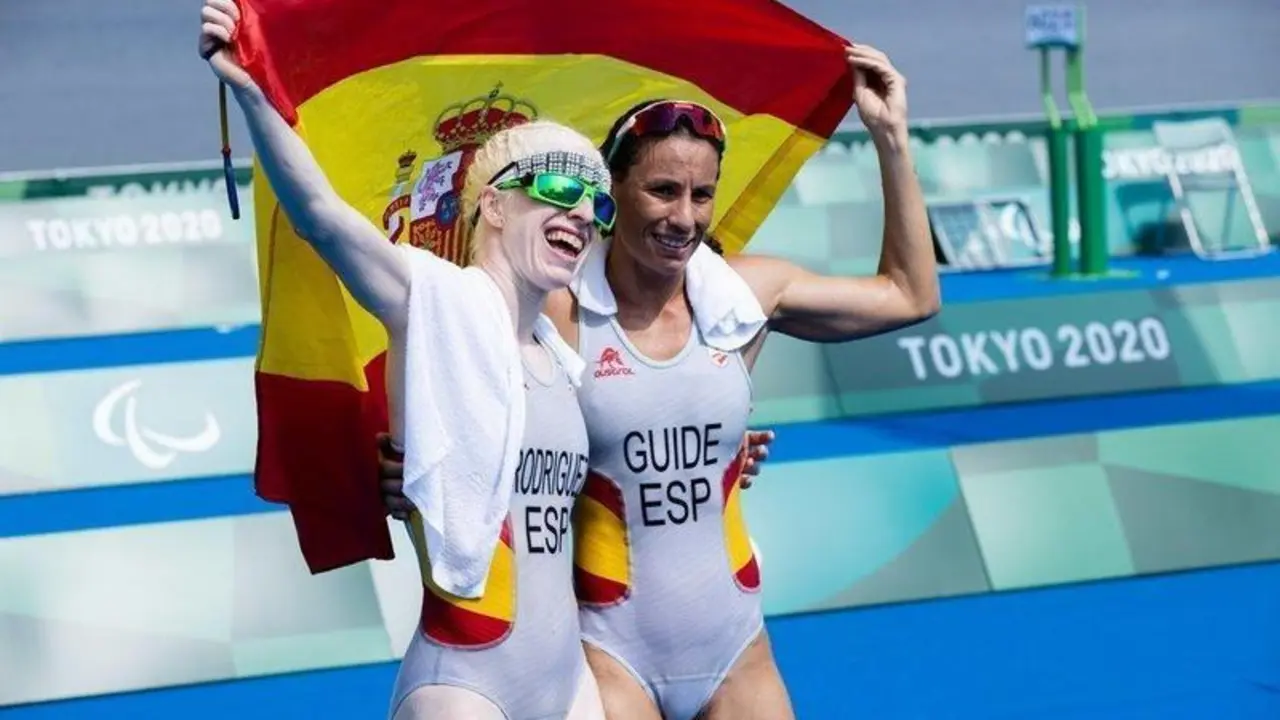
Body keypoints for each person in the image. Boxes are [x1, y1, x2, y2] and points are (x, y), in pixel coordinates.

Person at [380, 41, 938, 720]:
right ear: (611, 193)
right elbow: (445, 355)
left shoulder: (743, 299)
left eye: (702, 195)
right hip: (608, 659)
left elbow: (910, 295)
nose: (685, 218)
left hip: (738, 649)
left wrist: (889, 136)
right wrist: (408, 465)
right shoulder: (557, 309)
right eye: (662, 190)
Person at [198, 2, 614, 718]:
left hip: (568, 682)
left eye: (597, 206)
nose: (581, 212)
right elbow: (322, 219)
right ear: (492, 204)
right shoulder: (434, 302)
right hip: (465, 684)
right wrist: (252, 88)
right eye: (558, 189)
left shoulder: (559, 352)